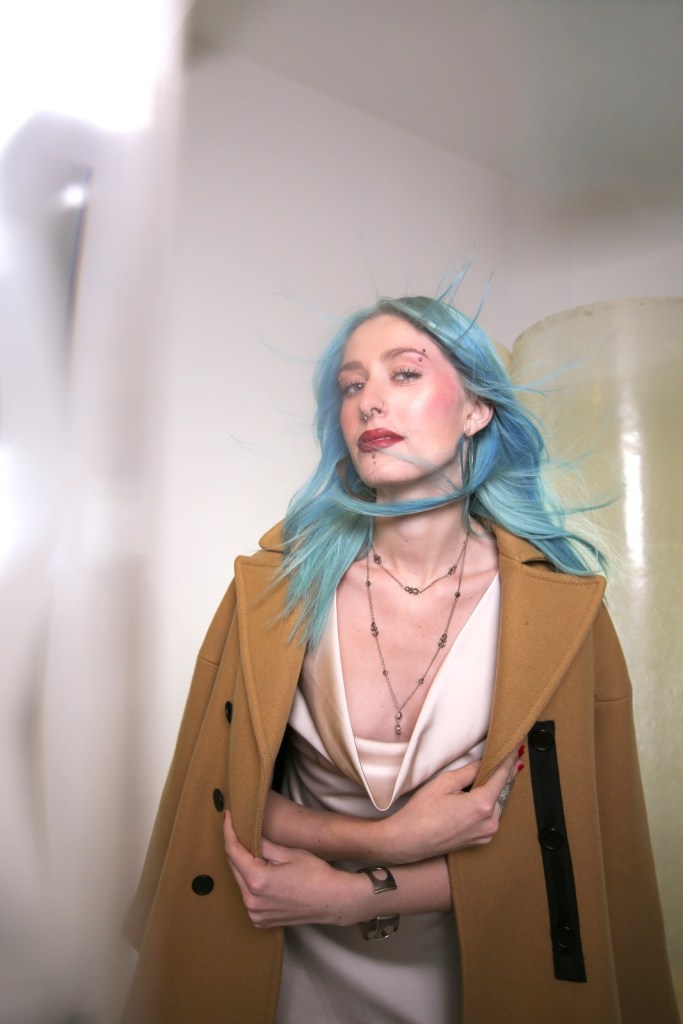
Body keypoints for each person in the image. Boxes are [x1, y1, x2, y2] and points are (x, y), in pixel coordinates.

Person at [123, 292, 679, 1024]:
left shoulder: (564, 611)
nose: (369, 402)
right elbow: (226, 798)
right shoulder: (272, 591)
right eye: (352, 385)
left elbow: (563, 850)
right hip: (280, 963)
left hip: (484, 973)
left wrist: (356, 894)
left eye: (405, 373)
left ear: (477, 408)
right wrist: (383, 839)